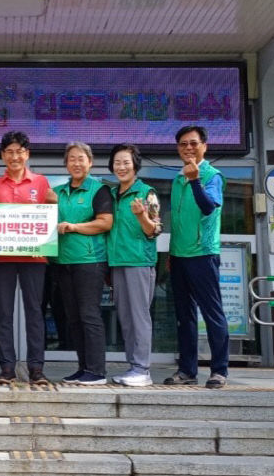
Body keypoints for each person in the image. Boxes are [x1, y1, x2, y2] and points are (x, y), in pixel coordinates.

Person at [0, 131, 57, 385]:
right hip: (1, 258)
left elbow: (48, 216)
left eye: (19, 151)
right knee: (2, 314)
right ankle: (7, 368)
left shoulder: (41, 182)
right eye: (9, 152)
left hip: (35, 259)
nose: (15, 157)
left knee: (35, 312)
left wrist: (53, 207)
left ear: (27, 154)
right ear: (3, 155)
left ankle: (37, 368)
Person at [165, 125, 229, 389]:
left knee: (212, 314)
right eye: (183, 144)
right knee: (184, 316)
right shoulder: (177, 179)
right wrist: (170, 254)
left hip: (203, 255)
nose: (188, 148)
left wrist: (195, 180)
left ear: (205, 145)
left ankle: (219, 370)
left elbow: (207, 207)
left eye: (193, 143)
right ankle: (187, 370)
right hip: (179, 256)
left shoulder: (212, 175)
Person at [54, 142, 113, 385]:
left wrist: (75, 227)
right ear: (66, 164)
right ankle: (83, 368)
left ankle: (97, 371)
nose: (76, 163)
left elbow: (105, 223)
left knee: (89, 315)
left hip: (90, 261)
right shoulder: (57, 192)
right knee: (74, 317)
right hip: (63, 261)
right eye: (72, 159)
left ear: (90, 162)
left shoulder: (99, 190)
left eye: (81, 159)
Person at [107, 144, 162, 387]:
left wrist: (142, 216)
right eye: (117, 163)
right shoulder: (111, 193)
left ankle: (142, 369)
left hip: (139, 262)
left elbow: (155, 230)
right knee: (126, 318)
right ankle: (133, 368)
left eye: (126, 162)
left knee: (139, 317)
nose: (121, 167)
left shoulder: (147, 193)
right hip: (117, 262)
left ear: (135, 165)